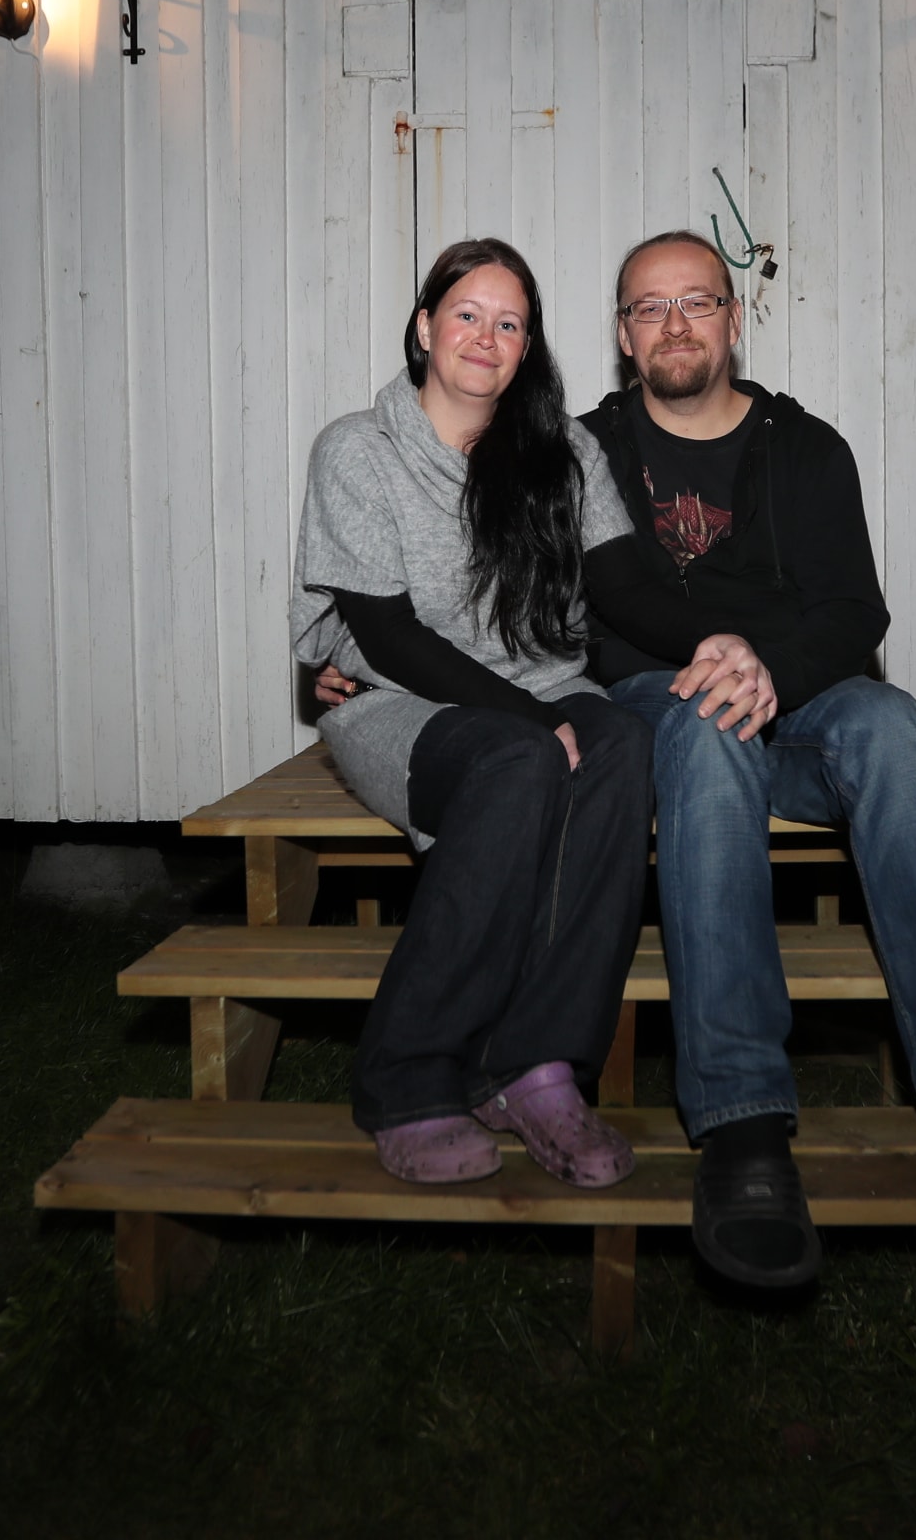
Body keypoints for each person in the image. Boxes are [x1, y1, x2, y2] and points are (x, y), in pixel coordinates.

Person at [577, 230, 916, 1287]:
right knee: (707, 725)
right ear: (622, 333)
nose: (674, 325)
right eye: (650, 307)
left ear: (735, 317)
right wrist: (714, 662)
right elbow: (566, 606)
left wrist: (769, 671)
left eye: (698, 302)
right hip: (662, 700)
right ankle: (743, 1126)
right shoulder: (585, 452)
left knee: (896, 726)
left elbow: (852, 611)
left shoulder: (806, 448)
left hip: (799, 697)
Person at [290, 238, 653, 1188]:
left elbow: (628, 590)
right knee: (517, 759)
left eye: (510, 323)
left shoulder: (561, 451)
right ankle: (408, 1075)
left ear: (528, 348)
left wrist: (740, 643)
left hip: (542, 689)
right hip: (395, 698)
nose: (486, 337)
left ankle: (535, 1068)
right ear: (424, 328)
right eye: (466, 314)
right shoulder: (359, 450)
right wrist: (528, 717)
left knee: (622, 743)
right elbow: (386, 633)